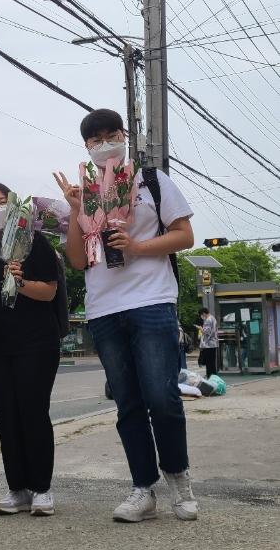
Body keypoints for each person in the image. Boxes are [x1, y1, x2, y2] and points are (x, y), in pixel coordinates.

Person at [55, 108, 199, 523]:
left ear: (124, 135)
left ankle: (178, 478)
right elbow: (78, 260)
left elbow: (184, 235)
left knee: (162, 396)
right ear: (86, 147)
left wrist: (136, 247)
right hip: (104, 308)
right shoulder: (86, 191)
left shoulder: (151, 181)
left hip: (151, 301)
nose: (104, 144)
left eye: (110, 135)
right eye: (94, 139)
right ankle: (142, 488)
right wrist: (77, 210)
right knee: (127, 403)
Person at [0, 183, 60, 517]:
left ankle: (42, 488)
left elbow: (49, 292)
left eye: (1, 201)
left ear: (14, 206)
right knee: (6, 415)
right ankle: (17, 488)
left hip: (36, 342)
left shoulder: (34, 241)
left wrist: (20, 283)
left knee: (33, 412)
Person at [199, 307, 218, 378]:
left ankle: (210, 377)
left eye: (201, 315)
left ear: (204, 313)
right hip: (214, 343)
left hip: (208, 344)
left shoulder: (208, 320)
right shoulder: (213, 318)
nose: (201, 316)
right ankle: (214, 377)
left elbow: (207, 332)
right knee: (212, 363)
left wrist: (201, 329)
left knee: (209, 363)